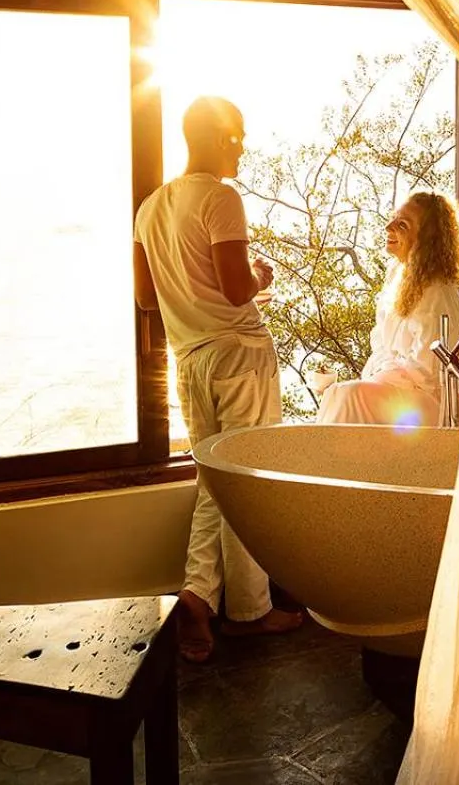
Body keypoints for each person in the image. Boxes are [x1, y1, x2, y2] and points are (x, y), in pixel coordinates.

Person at [133, 96, 303, 662]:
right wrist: (259, 274)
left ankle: (196, 596)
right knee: (246, 481)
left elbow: (143, 298)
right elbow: (236, 288)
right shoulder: (220, 197)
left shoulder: (150, 208)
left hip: (189, 360)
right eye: (240, 136)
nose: (243, 147)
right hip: (239, 354)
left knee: (214, 481)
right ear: (222, 136)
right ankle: (250, 612)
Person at [316, 192, 459, 427]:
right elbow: (381, 346)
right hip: (399, 389)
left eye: (402, 224)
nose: (388, 227)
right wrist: (371, 380)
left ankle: (327, 464)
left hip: (435, 405)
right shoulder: (397, 275)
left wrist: (373, 385)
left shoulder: (437, 291)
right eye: (392, 219)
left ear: (427, 238)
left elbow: (427, 372)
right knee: (338, 394)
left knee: (349, 396)